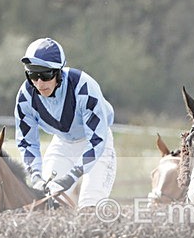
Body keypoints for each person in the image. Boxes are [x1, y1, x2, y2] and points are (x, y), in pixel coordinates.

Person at [14, 37, 117, 208]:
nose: (39, 83)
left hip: (96, 143)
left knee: (89, 207)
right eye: (32, 75)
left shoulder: (85, 88)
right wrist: (36, 176)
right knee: (46, 205)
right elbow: (27, 143)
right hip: (63, 143)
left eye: (45, 75)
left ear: (59, 73)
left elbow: (97, 141)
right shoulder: (25, 96)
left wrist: (72, 176)